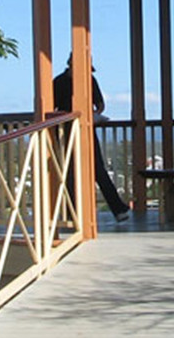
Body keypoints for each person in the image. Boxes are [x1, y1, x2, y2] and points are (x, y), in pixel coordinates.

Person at [52, 54, 130, 221]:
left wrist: (93, 114)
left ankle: (118, 209)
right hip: (65, 131)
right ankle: (72, 213)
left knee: (98, 169)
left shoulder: (90, 80)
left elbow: (100, 104)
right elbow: (52, 108)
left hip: (86, 129)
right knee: (69, 172)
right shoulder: (58, 82)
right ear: (71, 63)